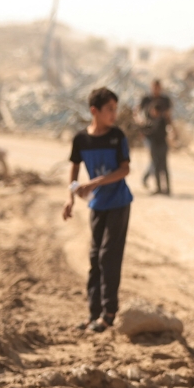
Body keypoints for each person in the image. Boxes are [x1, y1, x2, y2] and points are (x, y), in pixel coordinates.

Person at [62, 87, 132, 333]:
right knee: (94, 257)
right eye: (109, 109)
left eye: (115, 109)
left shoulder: (117, 137)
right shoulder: (81, 139)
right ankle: (93, 314)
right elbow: (74, 168)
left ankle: (109, 314)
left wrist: (94, 182)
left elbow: (125, 170)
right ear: (94, 111)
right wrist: (70, 197)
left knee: (108, 256)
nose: (114, 114)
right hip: (97, 205)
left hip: (119, 203)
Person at [139, 80, 172, 195]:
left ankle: (149, 179)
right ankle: (156, 185)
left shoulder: (165, 102)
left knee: (160, 163)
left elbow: (169, 117)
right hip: (151, 138)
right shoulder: (146, 100)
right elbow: (139, 113)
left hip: (160, 138)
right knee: (156, 162)